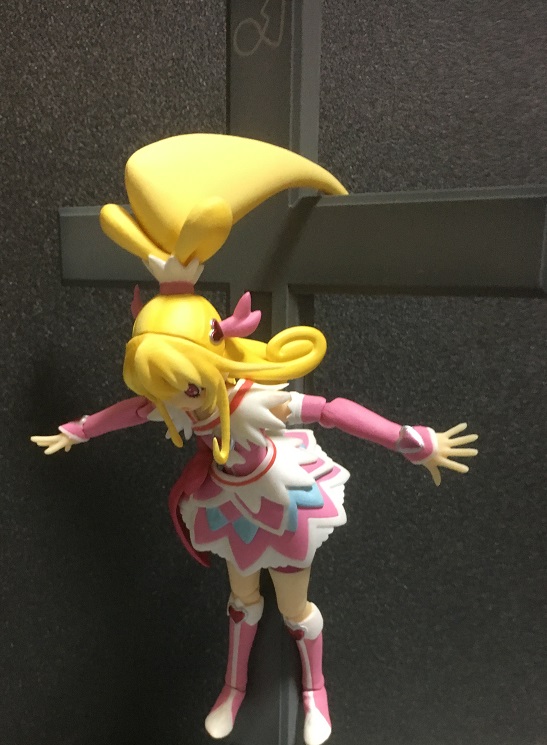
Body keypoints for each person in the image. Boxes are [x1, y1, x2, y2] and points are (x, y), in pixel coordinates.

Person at [32, 134, 478, 745]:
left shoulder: (253, 402)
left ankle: (316, 691)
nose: (175, 402)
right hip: (226, 501)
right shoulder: (178, 406)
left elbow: (329, 411)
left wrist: (410, 440)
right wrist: (79, 430)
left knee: (294, 609)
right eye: (166, 389)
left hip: (279, 497)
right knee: (242, 602)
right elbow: (133, 411)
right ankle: (233, 688)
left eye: (185, 387)